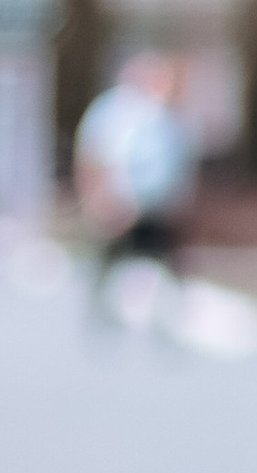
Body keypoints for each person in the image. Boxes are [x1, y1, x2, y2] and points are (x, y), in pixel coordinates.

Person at [72, 48, 197, 313]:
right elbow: (94, 156)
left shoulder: (167, 115)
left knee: (166, 264)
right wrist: (98, 200)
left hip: (157, 208)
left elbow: (175, 166)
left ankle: (170, 315)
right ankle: (102, 317)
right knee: (109, 262)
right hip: (119, 205)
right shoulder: (115, 111)